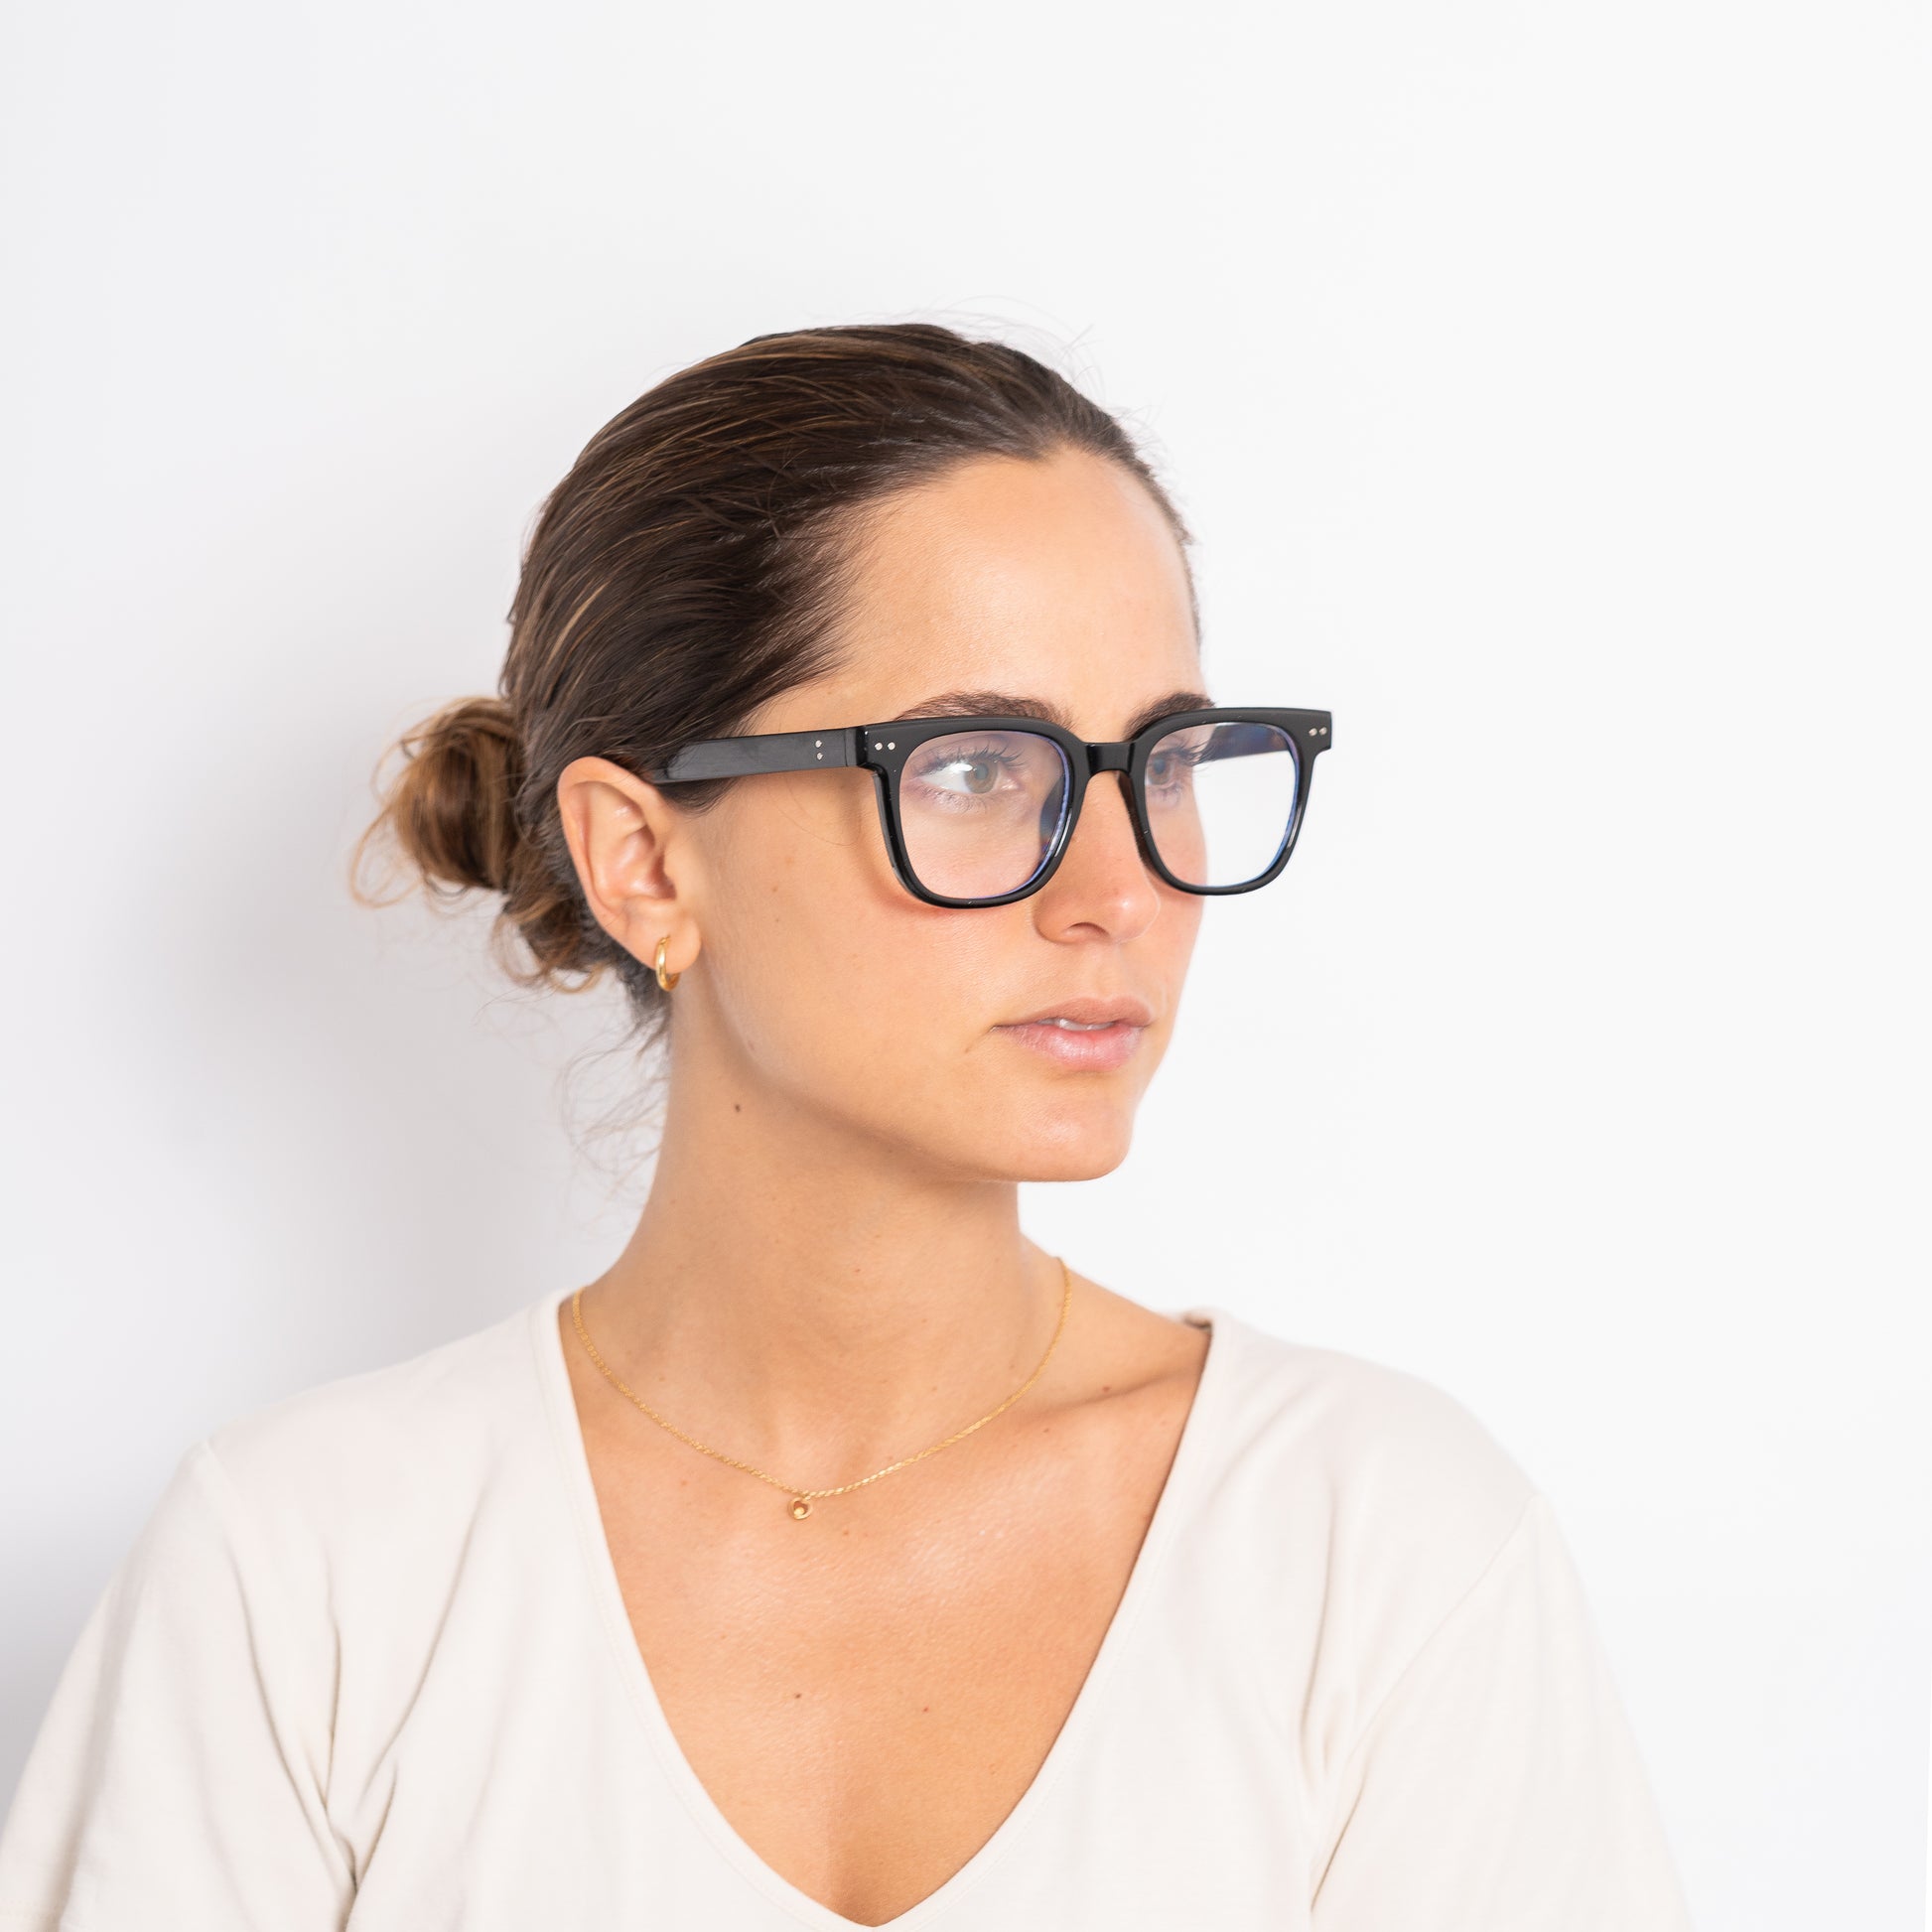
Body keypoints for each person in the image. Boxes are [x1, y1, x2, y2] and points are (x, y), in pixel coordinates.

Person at [0, 324, 1695, 1930]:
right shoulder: (302, 1567)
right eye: (972, 766)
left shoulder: (1374, 1542)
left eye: (1167, 761)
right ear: (643, 860)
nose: (1121, 889)